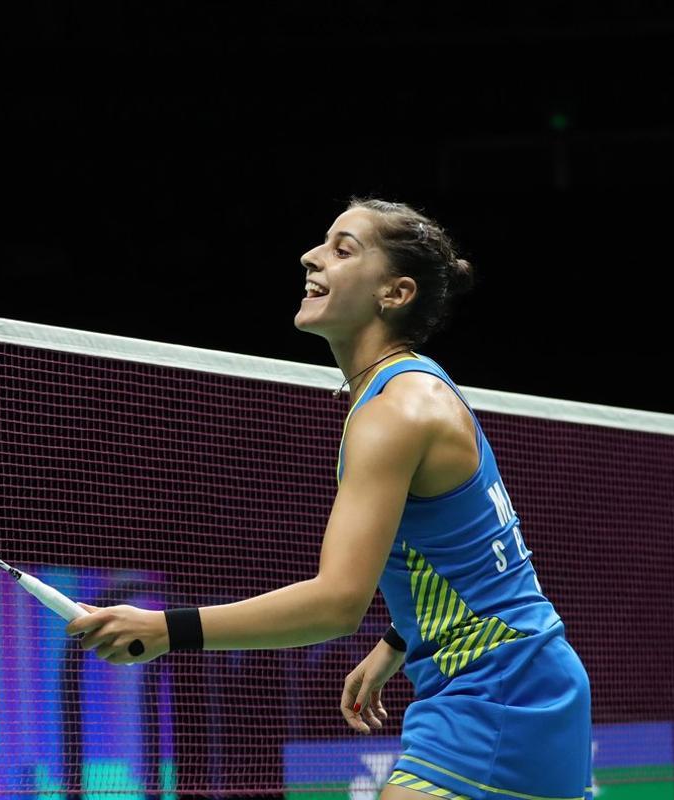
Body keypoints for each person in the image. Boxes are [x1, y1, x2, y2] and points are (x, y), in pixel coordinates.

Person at [66, 198, 592, 800]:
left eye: (343, 250)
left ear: (394, 294)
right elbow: (466, 546)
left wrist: (166, 629)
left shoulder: (395, 411)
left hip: (499, 690)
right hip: (516, 673)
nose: (310, 257)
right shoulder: (410, 386)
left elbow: (337, 603)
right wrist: (401, 640)